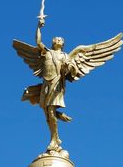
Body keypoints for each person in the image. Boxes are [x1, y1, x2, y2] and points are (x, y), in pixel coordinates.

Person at [36, 19, 76, 151]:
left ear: (63, 44)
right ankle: (57, 120)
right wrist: (39, 27)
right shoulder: (47, 52)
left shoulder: (65, 55)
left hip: (57, 83)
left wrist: (68, 67)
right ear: (53, 42)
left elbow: (72, 70)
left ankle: (54, 139)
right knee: (46, 111)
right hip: (46, 84)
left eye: (61, 39)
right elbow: (38, 42)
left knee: (50, 110)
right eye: (56, 39)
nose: (58, 40)